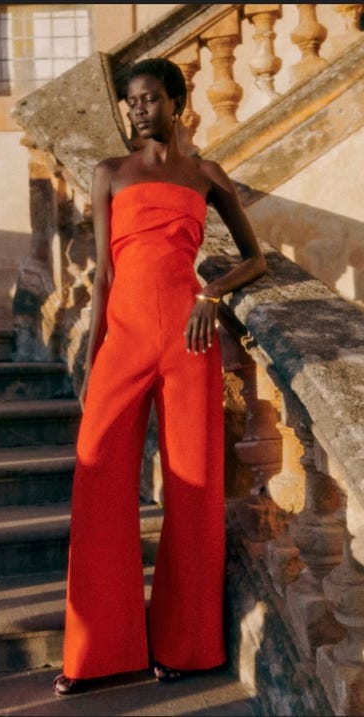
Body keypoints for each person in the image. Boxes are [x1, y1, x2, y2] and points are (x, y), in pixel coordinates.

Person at [53, 57, 267, 696]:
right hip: (124, 341)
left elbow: (254, 259)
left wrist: (211, 294)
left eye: (149, 99)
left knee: (193, 488)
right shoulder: (109, 173)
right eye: (130, 102)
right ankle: (97, 653)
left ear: (176, 100)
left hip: (188, 341)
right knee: (97, 478)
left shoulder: (206, 175)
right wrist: (94, 361)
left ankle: (187, 647)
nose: (138, 110)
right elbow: (105, 277)